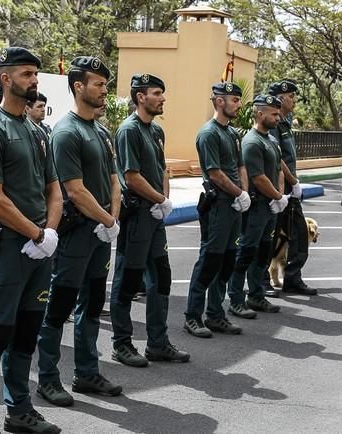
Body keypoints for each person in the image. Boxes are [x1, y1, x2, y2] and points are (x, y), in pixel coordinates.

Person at [0, 47, 62, 434]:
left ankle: (19, 410)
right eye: (26, 74)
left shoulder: (37, 130)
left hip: (40, 247)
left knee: (26, 332)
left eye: (35, 74)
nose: (34, 80)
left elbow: (54, 188)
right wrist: (36, 233)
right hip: (9, 247)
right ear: (5, 78)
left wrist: (50, 234)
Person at [36, 56, 122, 407]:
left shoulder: (101, 131)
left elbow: (114, 181)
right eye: (98, 84)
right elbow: (74, 189)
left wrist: (111, 220)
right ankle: (48, 379)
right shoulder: (66, 131)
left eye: (105, 84)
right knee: (59, 307)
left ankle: (87, 373)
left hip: (101, 232)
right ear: (78, 86)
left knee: (92, 305)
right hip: (77, 233)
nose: (104, 90)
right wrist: (107, 221)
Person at [110, 73, 189, 364]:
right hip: (137, 216)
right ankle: (122, 344)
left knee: (161, 278)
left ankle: (157, 342)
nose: (163, 98)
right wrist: (159, 200)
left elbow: (161, 170)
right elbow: (131, 177)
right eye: (157, 93)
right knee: (128, 281)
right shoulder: (128, 130)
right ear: (141, 97)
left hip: (154, 215)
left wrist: (164, 200)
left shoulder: (156, 131)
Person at [184, 82, 249, 339]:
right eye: (234, 99)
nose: (239, 104)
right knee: (209, 261)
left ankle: (216, 315)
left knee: (227, 261)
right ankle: (192, 316)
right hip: (219, 204)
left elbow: (240, 166)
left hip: (234, 204)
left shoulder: (232, 133)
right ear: (219, 101)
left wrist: (243, 192)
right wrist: (237, 193)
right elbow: (214, 173)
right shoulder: (208, 133)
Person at [227, 95, 287, 318]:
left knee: (263, 253)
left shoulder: (271, 140)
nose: (278, 117)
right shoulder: (252, 141)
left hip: (270, 205)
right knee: (245, 253)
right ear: (260, 114)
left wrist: (279, 196)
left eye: (278, 113)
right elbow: (258, 177)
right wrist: (276, 197)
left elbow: (279, 170)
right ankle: (235, 298)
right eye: (274, 113)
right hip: (257, 207)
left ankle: (256, 295)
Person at [267, 80, 317, 296]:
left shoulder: (285, 123)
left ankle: (293, 279)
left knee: (298, 233)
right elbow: (277, 158)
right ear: (280, 99)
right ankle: (260, 282)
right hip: (279, 190)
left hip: (289, 190)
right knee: (269, 235)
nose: (294, 100)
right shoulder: (275, 123)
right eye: (291, 96)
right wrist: (293, 182)